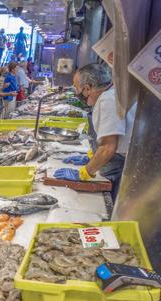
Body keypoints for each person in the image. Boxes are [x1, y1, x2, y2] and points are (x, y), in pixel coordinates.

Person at [55, 63, 136, 201]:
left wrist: (84, 173)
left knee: (112, 202)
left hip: (123, 164)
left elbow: (109, 147)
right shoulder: (112, 93)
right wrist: (91, 156)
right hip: (123, 158)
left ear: (87, 88)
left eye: (77, 88)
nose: (76, 92)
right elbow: (110, 136)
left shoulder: (107, 100)